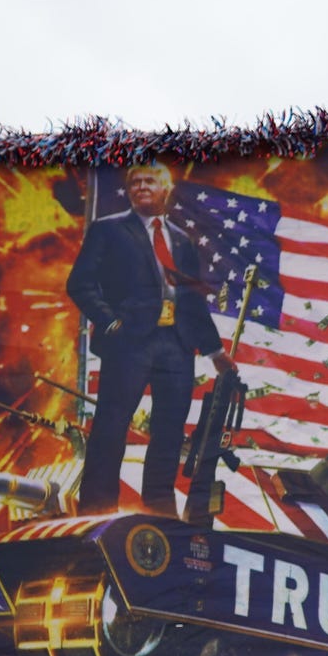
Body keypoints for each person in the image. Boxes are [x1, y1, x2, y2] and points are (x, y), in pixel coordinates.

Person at [67, 162, 235, 514]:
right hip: (129, 342)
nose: (141, 187)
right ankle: (97, 507)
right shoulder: (108, 230)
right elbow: (79, 283)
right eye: (135, 183)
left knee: (170, 429)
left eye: (149, 182)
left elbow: (191, 301)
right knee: (112, 425)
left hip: (176, 344)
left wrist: (215, 351)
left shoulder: (182, 241)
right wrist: (111, 324)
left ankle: (159, 507)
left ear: (165, 191)